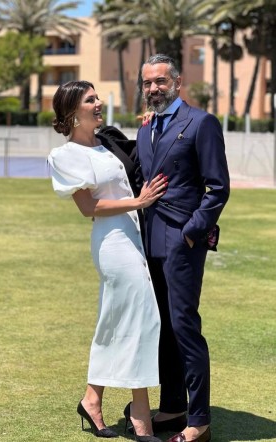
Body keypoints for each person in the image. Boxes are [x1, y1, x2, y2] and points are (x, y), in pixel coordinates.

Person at [47, 80, 167, 441]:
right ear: (71, 112)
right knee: (143, 320)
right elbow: (88, 208)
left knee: (118, 321)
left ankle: (92, 400)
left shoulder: (109, 139)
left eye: (97, 96)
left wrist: (152, 123)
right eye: (90, 100)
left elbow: (142, 157)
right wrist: (138, 202)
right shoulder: (65, 156)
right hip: (112, 243)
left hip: (135, 238)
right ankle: (141, 418)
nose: (98, 103)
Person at [135, 54, 230, 442]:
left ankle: (200, 420)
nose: (153, 88)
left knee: (185, 327)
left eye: (160, 81)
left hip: (182, 242)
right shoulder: (145, 129)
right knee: (161, 330)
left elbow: (218, 187)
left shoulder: (202, 122)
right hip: (148, 242)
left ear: (177, 82)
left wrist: (191, 232)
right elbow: (135, 170)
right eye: (147, 84)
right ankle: (172, 404)